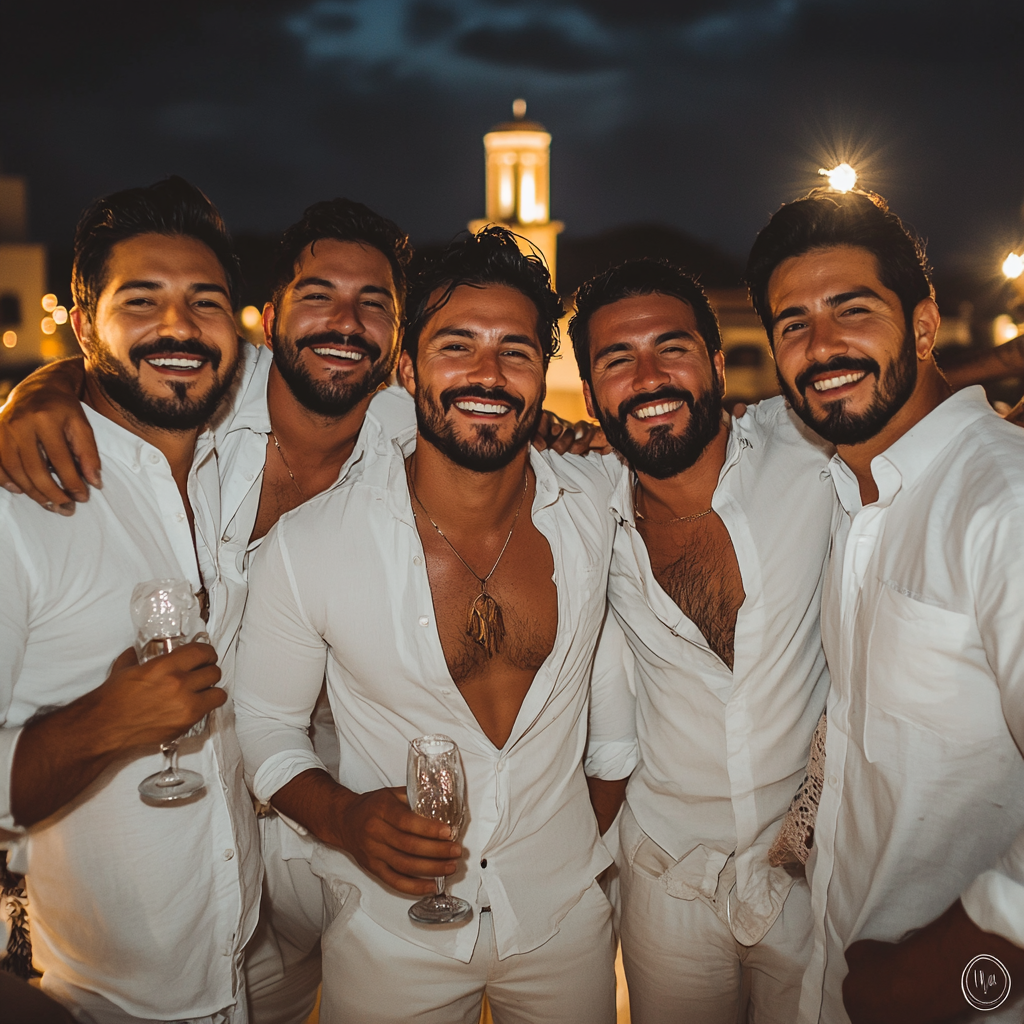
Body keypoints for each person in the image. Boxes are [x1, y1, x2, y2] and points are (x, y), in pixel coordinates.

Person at [0, 200, 599, 1023]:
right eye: (318, 295)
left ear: (398, 352)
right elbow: (136, 354)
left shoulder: (406, 418)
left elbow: (490, 402)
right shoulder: (205, 399)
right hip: (195, 844)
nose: (344, 323)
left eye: (375, 305)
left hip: (323, 806)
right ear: (270, 319)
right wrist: (41, 387)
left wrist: (558, 432)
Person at [231, 227, 633, 1024]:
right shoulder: (311, 546)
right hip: (391, 934)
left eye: (515, 351)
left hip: (563, 927)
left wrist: (559, 850)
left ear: (541, 372)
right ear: (408, 368)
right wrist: (347, 819)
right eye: (458, 347)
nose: (488, 375)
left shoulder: (596, 506)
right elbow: (267, 727)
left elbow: (613, 730)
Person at [746, 189, 1024, 1024]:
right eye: (792, 324)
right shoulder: (852, 502)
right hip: (846, 965)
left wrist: (967, 961)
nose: (820, 345)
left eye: (851, 310)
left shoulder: (1001, 501)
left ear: (926, 325)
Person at [0, 177, 262, 1022]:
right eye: (140, 301)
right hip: (93, 999)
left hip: (232, 981)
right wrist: (105, 721)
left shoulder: (232, 465)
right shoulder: (22, 505)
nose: (180, 326)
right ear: (84, 329)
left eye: (205, 302)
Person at [565, 259, 834, 1023]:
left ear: (716, 362)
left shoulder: (806, 451)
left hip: (815, 869)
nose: (648, 377)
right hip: (665, 876)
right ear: (590, 394)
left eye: (671, 348)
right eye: (617, 360)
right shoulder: (579, 503)